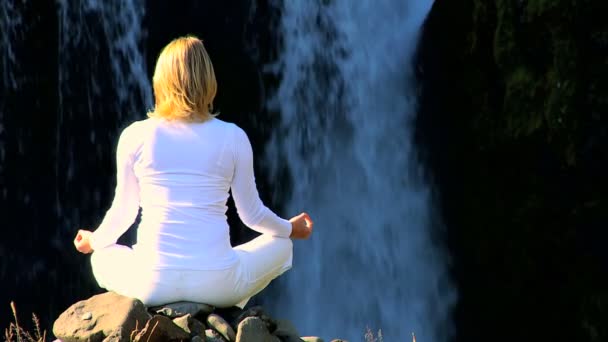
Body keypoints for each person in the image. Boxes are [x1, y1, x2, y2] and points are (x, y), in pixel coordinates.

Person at [72, 36, 313, 309]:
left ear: (160, 81)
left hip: (151, 283)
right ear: (208, 80)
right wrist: (290, 228)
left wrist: (94, 239)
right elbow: (252, 215)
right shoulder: (233, 136)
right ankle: (226, 312)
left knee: (101, 256)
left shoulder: (134, 135)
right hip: (219, 283)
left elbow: (123, 212)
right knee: (283, 246)